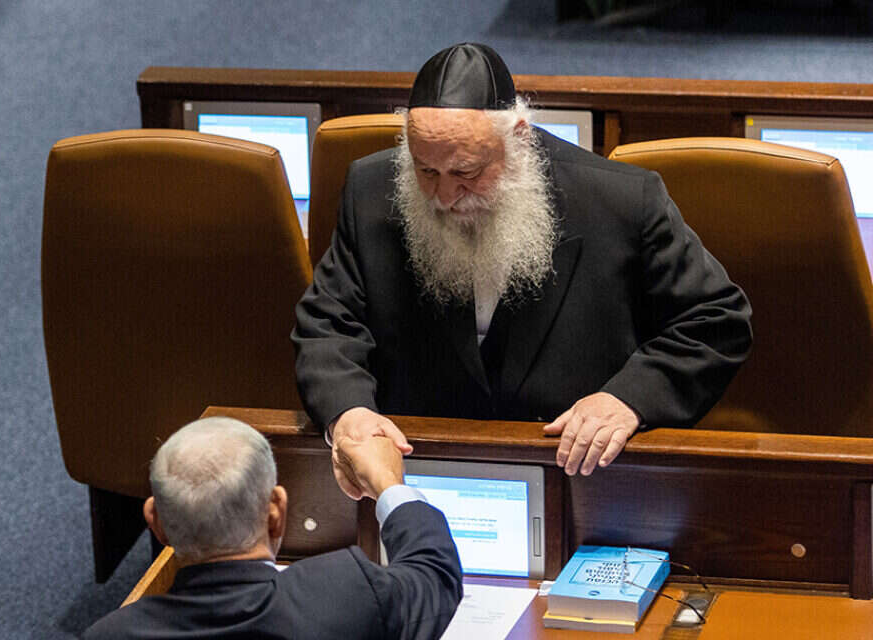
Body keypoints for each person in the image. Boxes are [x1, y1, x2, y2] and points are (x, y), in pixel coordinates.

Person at [292, 43, 752, 489]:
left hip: (583, 477)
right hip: (420, 471)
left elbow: (715, 320)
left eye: (466, 173)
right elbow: (329, 324)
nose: (443, 197)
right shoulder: (370, 191)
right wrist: (347, 412)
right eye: (425, 170)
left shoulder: (622, 201)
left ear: (518, 138)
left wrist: (628, 399)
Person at [82, 417, 462, 640]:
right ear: (276, 511)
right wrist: (387, 483)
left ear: (156, 524)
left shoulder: (110, 634)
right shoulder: (346, 596)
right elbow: (435, 575)